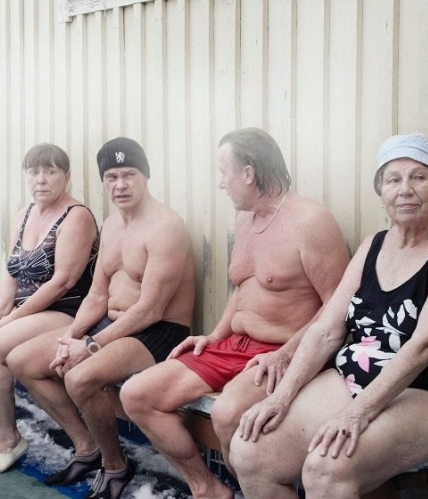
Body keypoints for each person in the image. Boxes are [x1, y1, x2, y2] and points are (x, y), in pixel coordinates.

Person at [119, 127, 349, 499]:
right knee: (137, 395)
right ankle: (206, 488)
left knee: (226, 414)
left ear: (248, 173)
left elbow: (336, 304)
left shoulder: (311, 221)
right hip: (233, 345)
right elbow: (242, 286)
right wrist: (215, 334)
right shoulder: (244, 218)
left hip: (280, 352)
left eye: (224, 173)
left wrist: (285, 354)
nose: (221, 184)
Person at [229, 133, 428, 498]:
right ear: (381, 192)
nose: (405, 189)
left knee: (327, 467)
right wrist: (281, 396)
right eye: (393, 179)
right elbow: (326, 330)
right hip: (355, 376)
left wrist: (357, 413)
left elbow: (427, 344)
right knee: (250, 452)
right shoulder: (373, 245)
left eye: (419, 177)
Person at [8, 137, 195, 499]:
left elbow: (151, 309)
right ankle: (88, 447)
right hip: (111, 325)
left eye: (129, 175)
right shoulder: (111, 225)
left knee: (79, 378)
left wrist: (91, 345)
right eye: (111, 177)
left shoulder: (165, 227)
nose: (120, 185)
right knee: (22, 361)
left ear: (146, 176)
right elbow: (97, 296)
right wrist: (72, 337)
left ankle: (115, 466)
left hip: (157, 331)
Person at [0, 143, 99, 475]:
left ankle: (9, 440)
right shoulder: (25, 213)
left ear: (67, 176)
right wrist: (0, 309)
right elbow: (11, 270)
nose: (41, 179)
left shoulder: (77, 216)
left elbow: (63, 282)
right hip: (24, 307)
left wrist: (13, 317)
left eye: (50, 171)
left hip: (63, 311)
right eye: (34, 171)